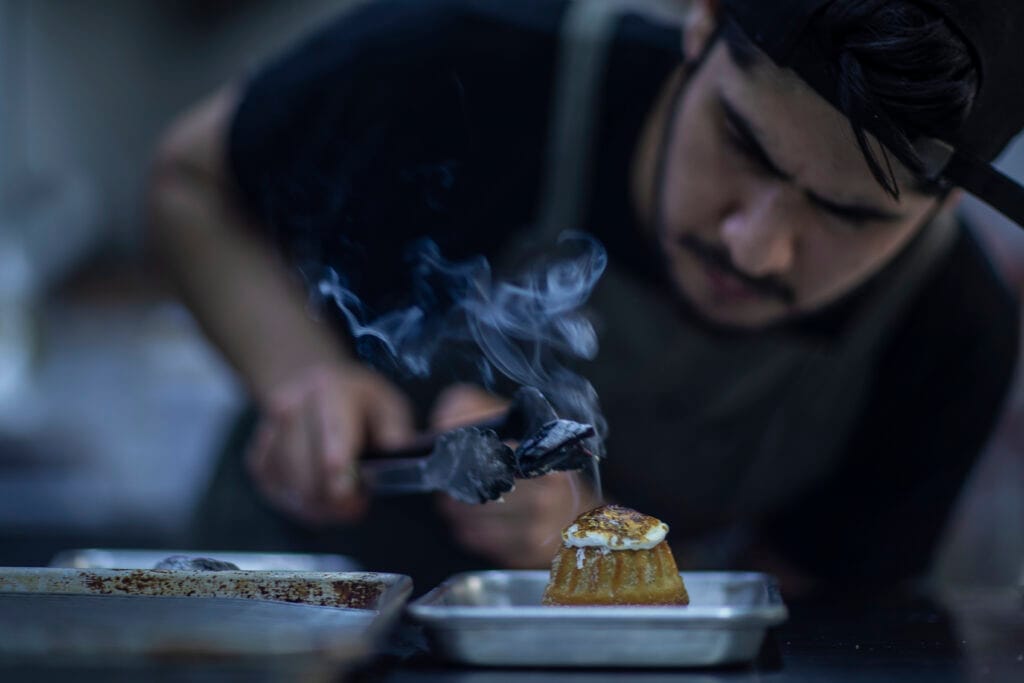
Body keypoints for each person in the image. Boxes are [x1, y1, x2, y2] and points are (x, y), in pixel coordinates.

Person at [148, 0, 1023, 594]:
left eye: (848, 214)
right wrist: (300, 374)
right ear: (702, 23)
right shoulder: (461, 66)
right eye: (743, 145)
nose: (753, 244)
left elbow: (809, 629)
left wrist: (600, 553)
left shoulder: (951, 336)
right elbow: (191, 179)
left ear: (945, 206)